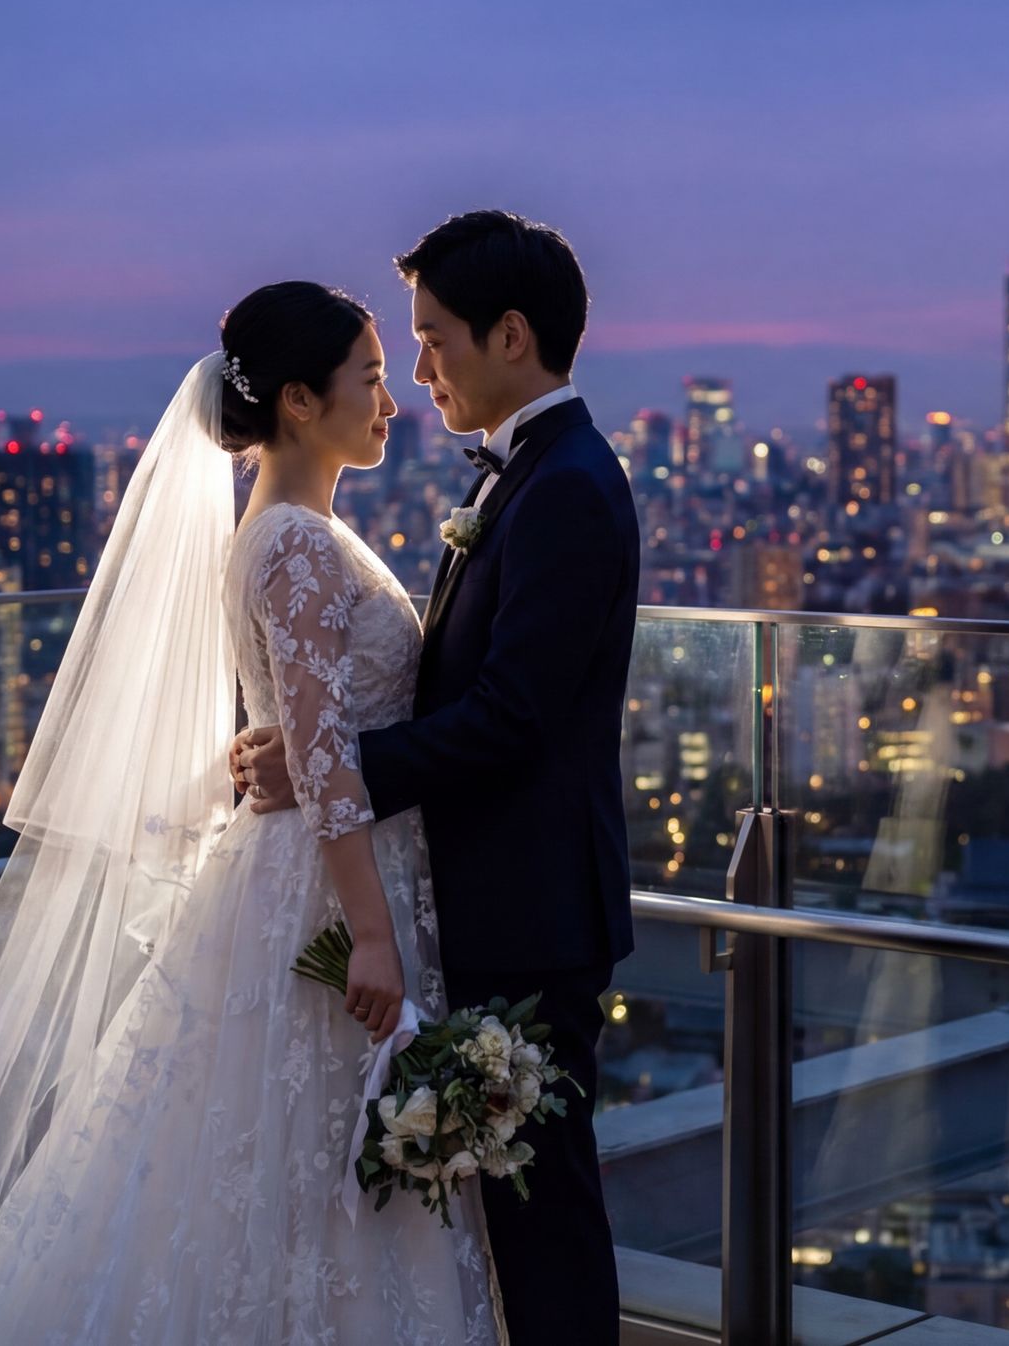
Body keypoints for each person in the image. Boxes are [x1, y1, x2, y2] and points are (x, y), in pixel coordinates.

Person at [0, 281, 501, 1346]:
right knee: (313, 1165)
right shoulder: (297, 544)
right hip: (330, 895)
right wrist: (372, 935)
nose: (392, 402)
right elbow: (324, 759)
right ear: (298, 401)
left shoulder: (289, 532)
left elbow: (308, 743)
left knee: (285, 1167)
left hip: (317, 873)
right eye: (371, 379)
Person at [237, 208, 639, 1346]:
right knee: (503, 1212)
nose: (418, 373)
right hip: (486, 902)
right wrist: (317, 757)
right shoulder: (532, 476)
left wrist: (325, 768)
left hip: (531, 913)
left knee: (543, 1216)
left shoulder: (564, 487)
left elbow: (511, 718)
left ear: (511, 336)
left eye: (433, 341)